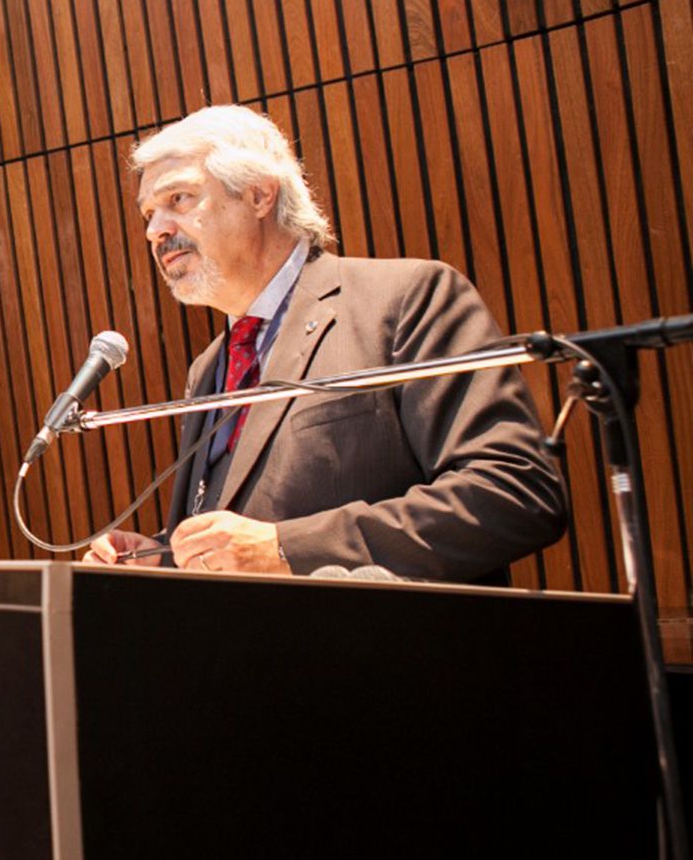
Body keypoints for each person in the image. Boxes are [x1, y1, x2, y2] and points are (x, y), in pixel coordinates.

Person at [86, 104, 567, 582]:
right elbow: (247, 532)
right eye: (149, 213)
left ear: (259, 194)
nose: (155, 231)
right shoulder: (209, 367)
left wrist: (287, 548)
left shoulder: (404, 299)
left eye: (179, 199)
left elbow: (514, 491)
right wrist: (164, 555)